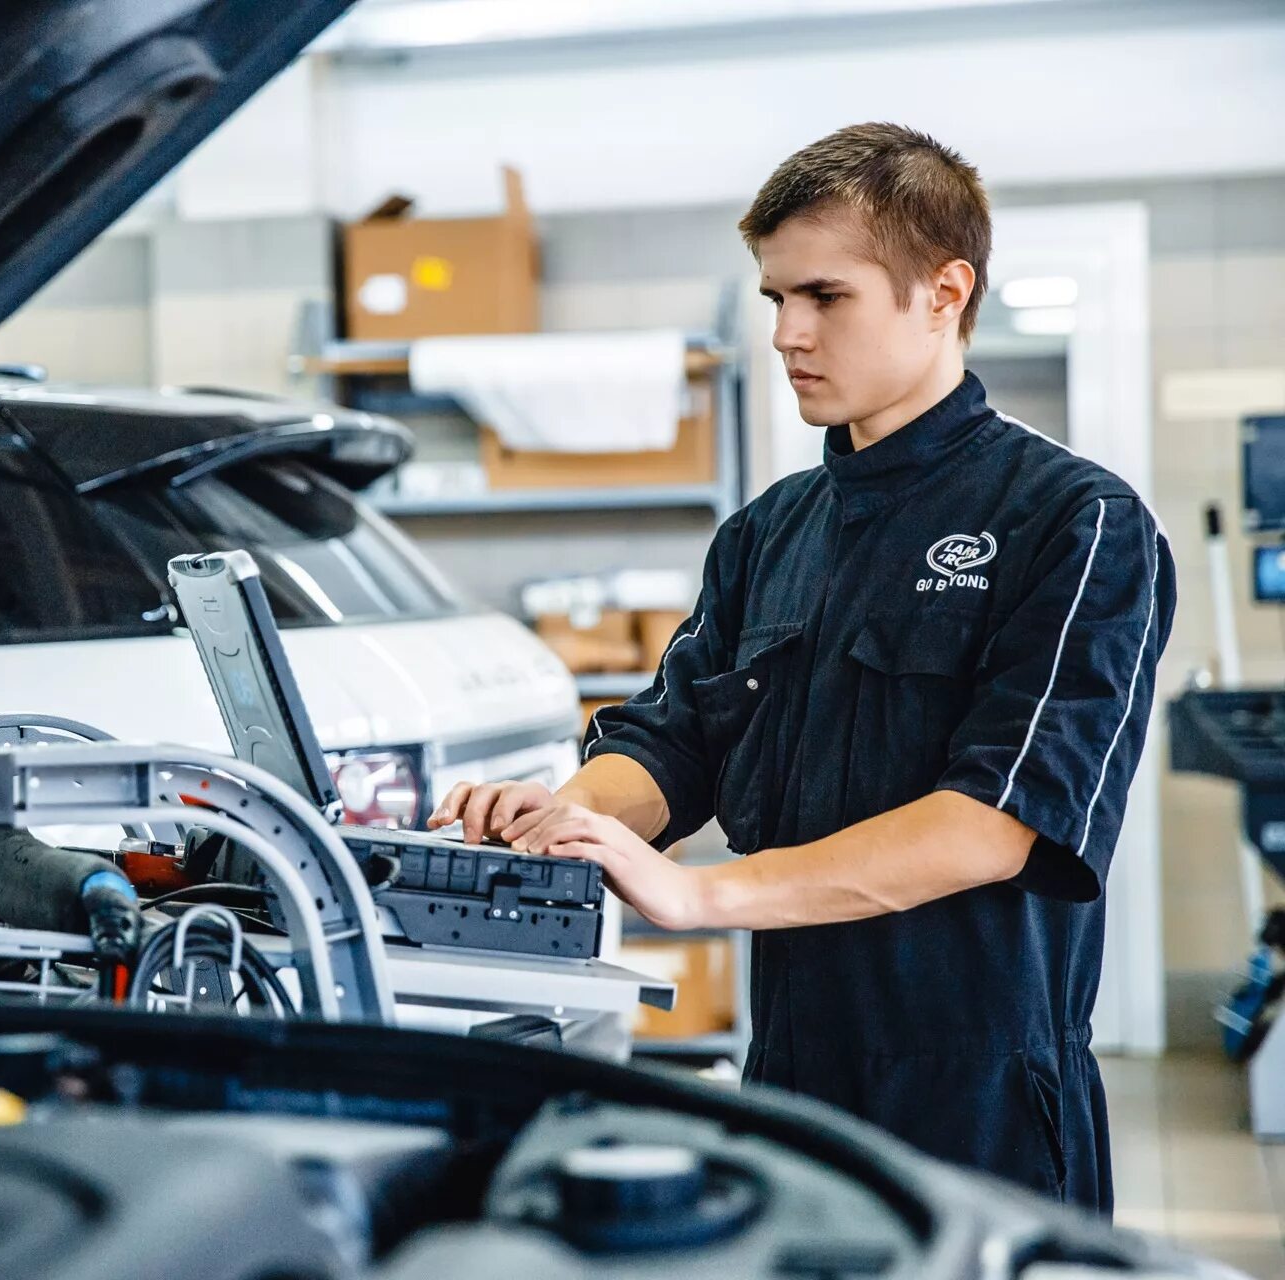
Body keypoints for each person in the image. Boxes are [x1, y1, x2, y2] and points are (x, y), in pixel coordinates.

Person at [430, 122, 1176, 1214]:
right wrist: (568, 816)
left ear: (943, 291)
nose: (786, 332)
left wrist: (697, 895)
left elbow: (992, 820)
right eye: (775, 297)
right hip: (789, 1072)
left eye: (825, 296)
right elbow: (673, 740)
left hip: (973, 1096)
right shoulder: (771, 531)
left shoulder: (1077, 524)